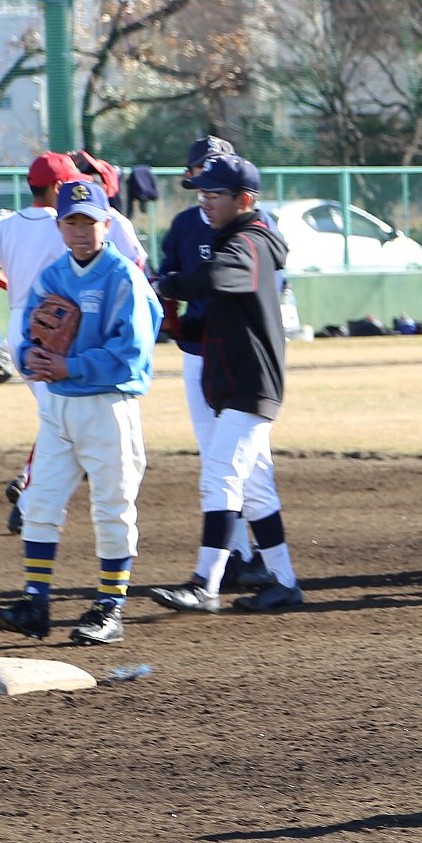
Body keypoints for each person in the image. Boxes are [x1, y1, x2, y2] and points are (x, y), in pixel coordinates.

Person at [0, 181, 162, 645]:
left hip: (108, 405)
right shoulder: (53, 276)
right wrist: (32, 360)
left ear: (106, 223)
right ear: (60, 226)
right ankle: (35, 604)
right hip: (59, 406)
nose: (81, 231)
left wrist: (70, 364)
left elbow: (134, 353)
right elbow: (27, 338)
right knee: (39, 501)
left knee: (112, 508)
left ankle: (110, 608)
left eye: (90, 221)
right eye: (72, 221)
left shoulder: (123, 276)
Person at [148, 154, 306, 615]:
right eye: (203, 192)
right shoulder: (240, 240)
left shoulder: (250, 243)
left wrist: (171, 284)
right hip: (238, 381)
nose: (206, 201)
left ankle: (205, 583)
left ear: (245, 200)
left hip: (250, 385)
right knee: (255, 489)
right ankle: (284, 582)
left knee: (220, 477)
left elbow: (218, 277)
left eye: (215, 194)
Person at [154, 135, 274, 591]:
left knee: (250, 465)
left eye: (217, 171)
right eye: (203, 171)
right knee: (218, 460)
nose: (206, 183)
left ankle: (258, 560)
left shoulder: (251, 227)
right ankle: (240, 554)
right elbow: (169, 284)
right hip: (197, 353)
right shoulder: (186, 224)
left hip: (240, 357)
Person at [0, 153, 96, 533]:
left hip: (23, 321)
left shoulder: (8, 224)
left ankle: (31, 487)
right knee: (61, 416)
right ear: (57, 187)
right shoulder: (64, 226)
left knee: (58, 413)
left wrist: (11, 284)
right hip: (56, 323)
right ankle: (31, 493)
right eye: (69, 182)